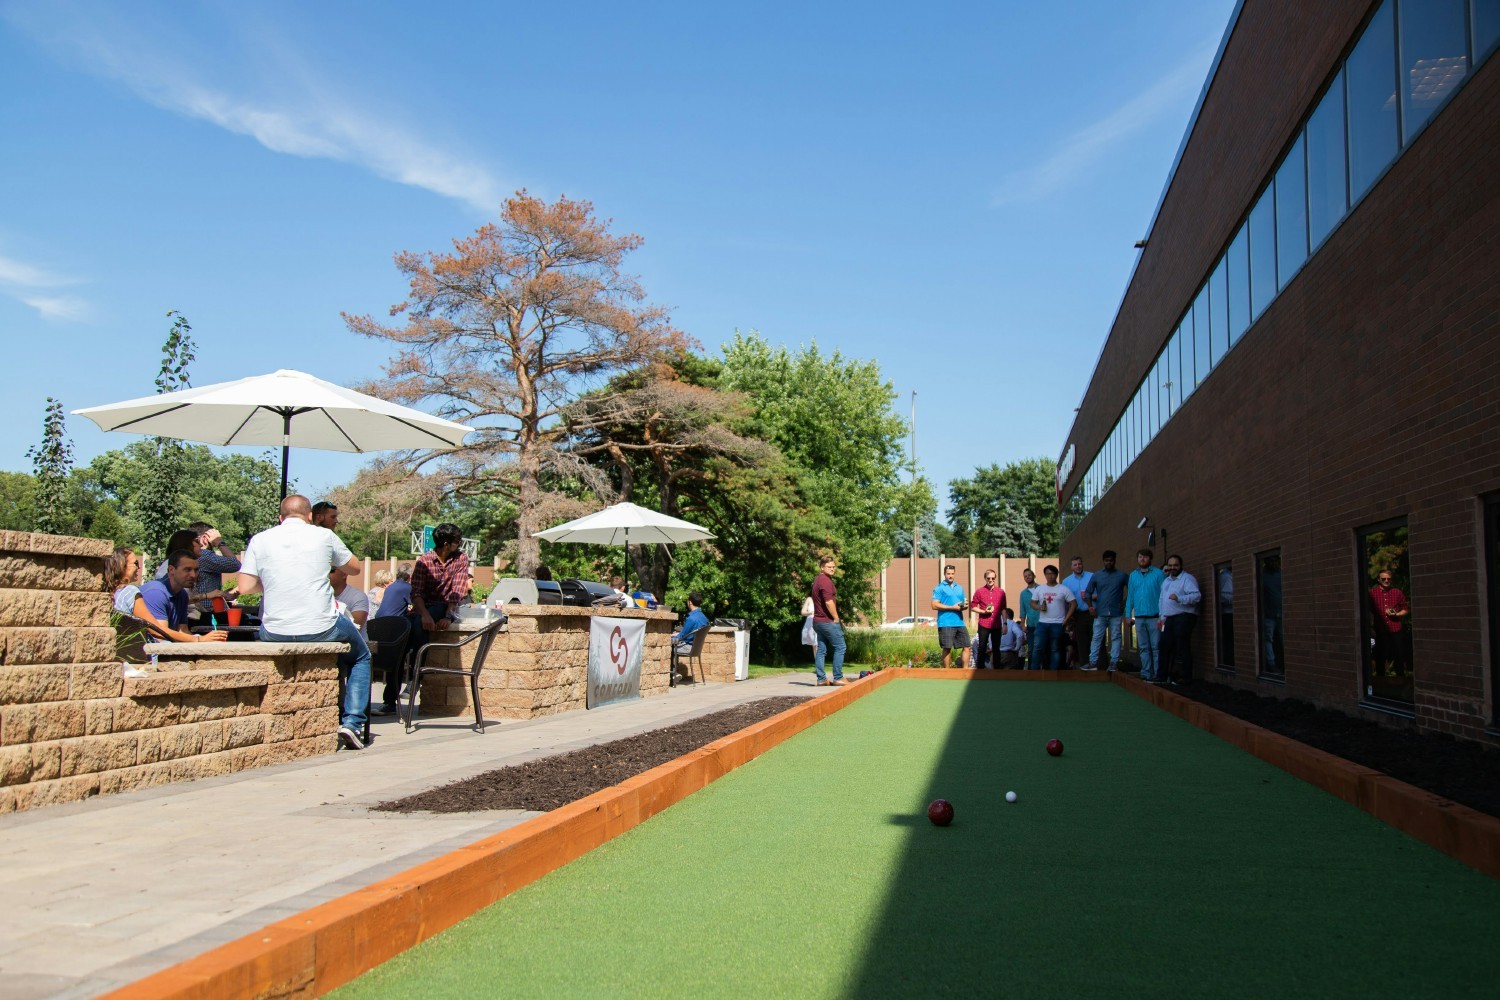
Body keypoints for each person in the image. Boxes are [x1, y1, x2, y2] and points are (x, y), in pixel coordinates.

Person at [237, 494, 371, 751]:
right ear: (310, 517)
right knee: (361, 657)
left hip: (274, 630)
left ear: (280, 518)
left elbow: (245, 586)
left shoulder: (260, 539)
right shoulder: (323, 536)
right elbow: (354, 568)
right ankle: (352, 723)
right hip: (322, 626)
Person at [134, 549, 228, 643]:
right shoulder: (156, 592)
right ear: (171, 570)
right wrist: (199, 639)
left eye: (196, 570)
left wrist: (207, 642)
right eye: (187, 570)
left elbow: (182, 631)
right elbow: (160, 635)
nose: (193, 575)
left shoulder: (182, 594)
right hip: (144, 653)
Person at [406, 523, 471, 655]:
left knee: (419, 623)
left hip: (444, 606)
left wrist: (448, 616)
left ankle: (418, 670)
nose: (459, 544)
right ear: (446, 544)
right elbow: (416, 592)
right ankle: (402, 670)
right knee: (405, 626)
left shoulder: (461, 559)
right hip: (423, 608)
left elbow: (457, 590)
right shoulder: (424, 561)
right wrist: (425, 615)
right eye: (457, 542)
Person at [1158, 554, 1201, 686]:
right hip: (1169, 618)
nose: (1172, 568)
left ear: (1180, 565)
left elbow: (1196, 596)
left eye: (1175, 565)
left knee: (1182, 646)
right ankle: (1162, 677)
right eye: (1170, 565)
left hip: (1184, 616)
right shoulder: (1166, 581)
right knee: (1164, 646)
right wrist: (1162, 617)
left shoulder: (1187, 579)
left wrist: (1179, 598)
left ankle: (1185, 677)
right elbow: (1161, 600)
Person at [1125, 548, 1166, 681]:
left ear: (1150, 559)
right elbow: (1130, 596)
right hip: (1140, 617)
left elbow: (1164, 595)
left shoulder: (1159, 574)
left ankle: (1158, 673)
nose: (1142, 559)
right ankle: (1146, 672)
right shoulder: (1133, 575)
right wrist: (1127, 615)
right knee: (1143, 648)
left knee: (1156, 647)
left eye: (1145, 557)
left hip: (1155, 617)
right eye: (1140, 557)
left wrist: (1163, 615)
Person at [1084, 550, 1128, 672]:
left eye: (1111, 560)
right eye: (1106, 560)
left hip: (1116, 613)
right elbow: (1087, 593)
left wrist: (1125, 602)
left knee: (1116, 637)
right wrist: (1090, 607)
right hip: (1100, 612)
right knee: (1097, 637)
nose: (1109, 563)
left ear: (1115, 561)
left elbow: (1132, 589)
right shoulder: (1097, 575)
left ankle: (1114, 663)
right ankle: (1093, 662)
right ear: (1103, 561)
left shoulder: (1122, 575)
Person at [1028, 565, 1074, 670]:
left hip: (1058, 623)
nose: (1050, 576)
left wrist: (1066, 619)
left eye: (1052, 574)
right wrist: (1039, 607)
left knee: (1055, 649)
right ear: (1044, 575)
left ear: (1056, 575)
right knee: (1037, 648)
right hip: (1042, 623)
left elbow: (1073, 603)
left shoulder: (1063, 589)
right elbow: (1032, 603)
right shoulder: (1040, 589)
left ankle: (1054, 672)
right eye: (1048, 574)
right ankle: (1034, 671)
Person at [809, 555, 847, 686]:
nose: (832, 569)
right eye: (829, 567)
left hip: (817, 622)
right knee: (840, 647)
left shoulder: (818, 580)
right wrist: (836, 617)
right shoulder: (825, 581)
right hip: (827, 621)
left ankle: (821, 679)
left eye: (833, 567)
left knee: (821, 650)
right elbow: (829, 601)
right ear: (822, 567)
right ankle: (838, 677)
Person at [1368, 570, 1410, 678]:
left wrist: (1397, 614)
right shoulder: (1372, 593)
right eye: (1383, 579)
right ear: (1379, 580)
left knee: (1399, 654)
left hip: (1395, 628)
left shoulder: (1397, 592)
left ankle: (1400, 678)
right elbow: (1368, 610)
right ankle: (1380, 678)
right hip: (1380, 629)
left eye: (1389, 579)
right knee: (1380, 655)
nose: (1386, 581)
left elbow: (1405, 609)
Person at [931, 563, 970, 669]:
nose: (950, 576)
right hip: (946, 623)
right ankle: (947, 672)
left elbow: (963, 603)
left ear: (955, 574)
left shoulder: (959, 588)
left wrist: (964, 606)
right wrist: (952, 607)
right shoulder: (939, 588)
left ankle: (965, 671)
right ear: (944, 574)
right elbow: (934, 605)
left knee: (967, 646)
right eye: (948, 574)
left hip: (959, 622)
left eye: (952, 574)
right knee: (947, 648)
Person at [969, 568, 1007, 669]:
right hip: (984, 623)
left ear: (995, 578)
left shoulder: (1001, 592)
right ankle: (980, 670)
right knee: (982, 647)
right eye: (988, 578)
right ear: (985, 578)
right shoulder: (979, 591)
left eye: (993, 578)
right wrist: (983, 612)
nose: (991, 580)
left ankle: (997, 670)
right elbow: (973, 607)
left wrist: (1005, 624)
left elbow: (1003, 609)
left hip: (996, 624)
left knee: (996, 648)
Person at [671, 591, 711, 681]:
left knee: (669, 648)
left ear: (690, 602)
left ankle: (672, 675)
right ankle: (674, 674)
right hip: (696, 648)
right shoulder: (704, 618)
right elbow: (689, 632)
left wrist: (670, 637)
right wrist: (678, 634)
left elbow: (680, 637)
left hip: (688, 647)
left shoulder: (691, 619)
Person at [1063, 556, 1094, 668]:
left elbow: (1098, 593)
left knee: (1097, 639)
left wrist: (1090, 596)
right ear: (1071, 567)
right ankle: (1085, 665)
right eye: (1075, 565)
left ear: (1082, 564)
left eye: (1079, 564)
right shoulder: (1066, 582)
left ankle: (1100, 666)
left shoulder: (1092, 576)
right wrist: (1068, 617)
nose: (1078, 566)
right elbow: (1066, 601)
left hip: (1092, 612)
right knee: (1082, 641)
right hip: (1078, 614)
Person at [332, 566, 370, 641]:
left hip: (356, 648)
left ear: (344, 574)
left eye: (331, 570)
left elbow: (354, 629)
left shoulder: (358, 596)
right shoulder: (320, 597)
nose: (325, 573)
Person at [106, 545, 143, 616]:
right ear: (122, 566)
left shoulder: (109, 591)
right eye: (136, 563)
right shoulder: (129, 591)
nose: (139, 567)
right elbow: (150, 626)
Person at [1018, 567, 1041, 669]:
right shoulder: (1023, 594)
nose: (1028, 577)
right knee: (1031, 649)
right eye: (1025, 576)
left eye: (1029, 575)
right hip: (1031, 624)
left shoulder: (1041, 589)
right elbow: (1022, 610)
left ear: (1034, 576)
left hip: (1043, 623)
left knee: (1043, 648)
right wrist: (1023, 625)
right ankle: (1031, 671)